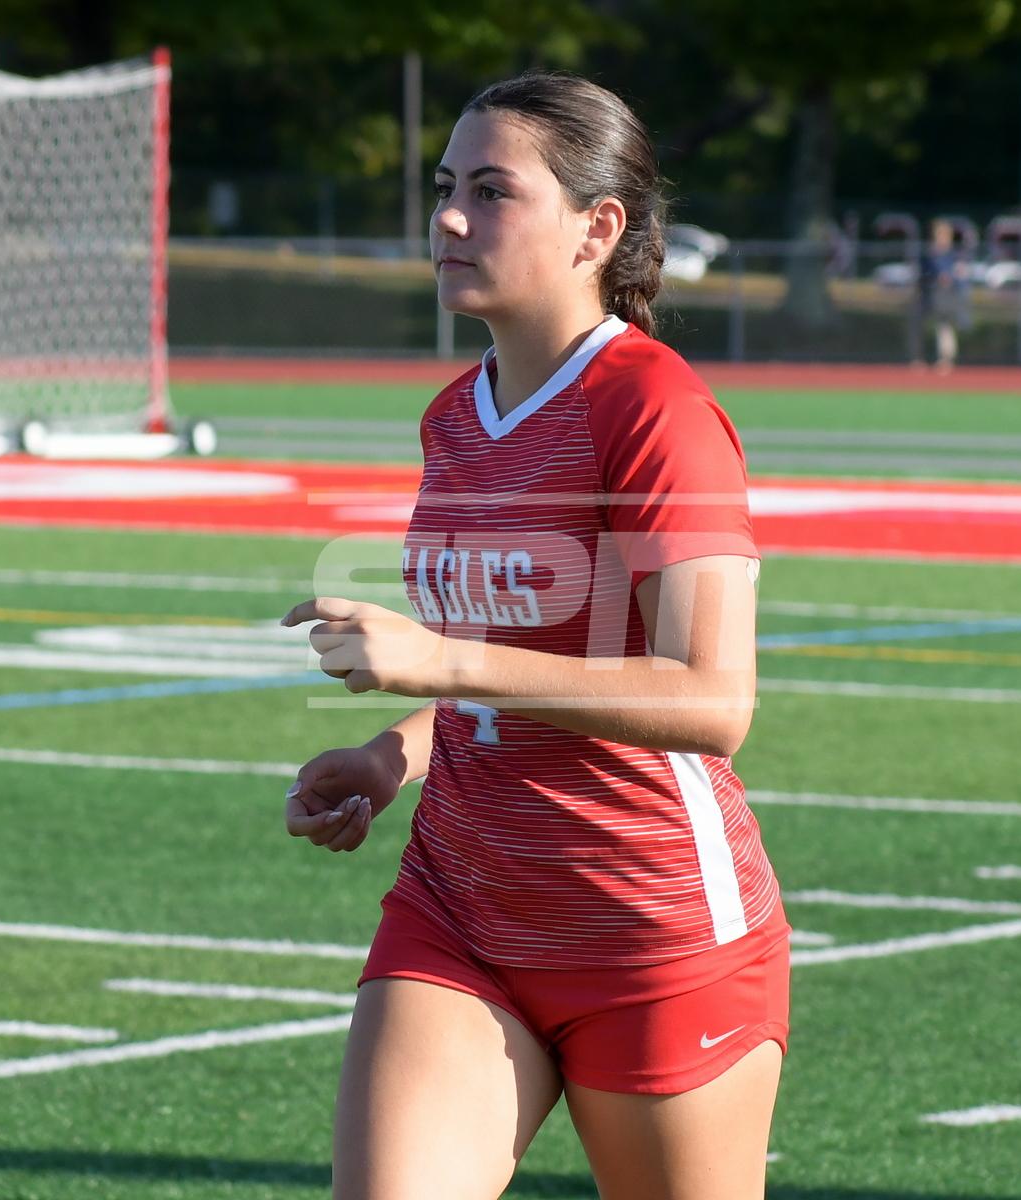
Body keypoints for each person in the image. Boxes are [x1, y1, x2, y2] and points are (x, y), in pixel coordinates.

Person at [280, 71, 790, 1200]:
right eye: (445, 187)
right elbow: (504, 669)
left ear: (596, 229)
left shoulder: (655, 408)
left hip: (648, 931)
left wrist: (441, 660)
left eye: (493, 191)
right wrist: (394, 754)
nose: (451, 218)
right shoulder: (454, 416)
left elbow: (716, 701)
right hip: (459, 904)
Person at [918, 218, 971, 373]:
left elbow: (961, 276)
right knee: (925, 326)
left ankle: (945, 359)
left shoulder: (954, 255)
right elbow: (923, 275)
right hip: (932, 295)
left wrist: (952, 278)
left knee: (945, 327)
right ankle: (921, 358)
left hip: (949, 296)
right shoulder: (930, 255)